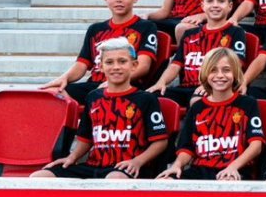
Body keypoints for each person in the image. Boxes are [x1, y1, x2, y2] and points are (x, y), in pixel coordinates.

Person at [33, 38, 170, 180]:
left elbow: (160, 141)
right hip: (94, 165)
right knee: (40, 176)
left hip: (125, 167)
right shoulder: (93, 97)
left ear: (134, 65)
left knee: (114, 179)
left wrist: (137, 161)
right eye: (109, 62)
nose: (116, 67)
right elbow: (86, 139)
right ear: (101, 67)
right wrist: (72, 157)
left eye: (122, 61)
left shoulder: (146, 99)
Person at [41, 0, 162, 103]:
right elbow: (82, 64)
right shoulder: (95, 30)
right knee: (52, 94)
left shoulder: (146, 27)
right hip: (95, 84)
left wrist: (112, 83)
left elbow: (143, 66)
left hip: (127, 85)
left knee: (105, 94)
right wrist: (64, 78)